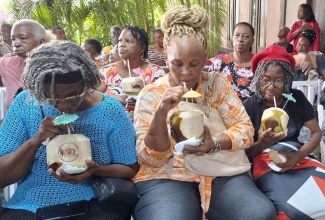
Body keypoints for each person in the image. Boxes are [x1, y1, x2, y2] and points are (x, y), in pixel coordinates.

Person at [132, 5, 277, 220]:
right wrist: (162, 113)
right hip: (168, 175)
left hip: (219, 170)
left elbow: (245, 129)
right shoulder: (151, 94)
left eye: (195, 64)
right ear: (164, 55)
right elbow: (150, 158)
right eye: (177, 64)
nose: (186, 73)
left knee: (259, 214)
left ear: (205, 56)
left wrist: (215, 143)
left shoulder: (216, 84)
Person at [0, 40, 138, 220]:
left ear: (86, 83)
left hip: (95, 200)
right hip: (31, 205)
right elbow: (3, 177)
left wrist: (96, 170)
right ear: (39, 89)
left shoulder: (110, 110)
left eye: (74, 96)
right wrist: (36, 140)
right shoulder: (25, 104)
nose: (64, 105)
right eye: (52, 99)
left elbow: (130, 168)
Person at [244, 45, 325, 220]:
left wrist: (299, 156)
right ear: (258, 79)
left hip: (300, 157)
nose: (271, 87)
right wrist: (261, 144)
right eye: (265, 80)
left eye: (279, 81)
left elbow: (316, 133)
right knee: (290, 210)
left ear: (287, 80)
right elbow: (243, 152)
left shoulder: (296, 99)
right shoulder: (250, 106)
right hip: (265, 162)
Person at [99, 25, 165, 118]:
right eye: (120, 40)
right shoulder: (106, 71)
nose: (121, 45)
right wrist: (113, 99)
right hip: (110, 127)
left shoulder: (156, 72)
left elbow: (162, 104)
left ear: (142, 48)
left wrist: (141, 103)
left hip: (145, 126)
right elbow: (93, 98)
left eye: (128, 41)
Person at [0, 19, 54, 110]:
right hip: (15, 122)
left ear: (41, 42)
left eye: (23, 38)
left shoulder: (55, 67)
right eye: (13, 39)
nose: (16, 44)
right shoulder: (9, 63)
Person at [209, 22, 255, 101]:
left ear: (252, 41)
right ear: (232, 38)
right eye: (237, 35)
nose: (240, 39)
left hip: (253, 111)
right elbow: (208, 88)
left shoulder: (259, 63)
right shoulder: (220, 63)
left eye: (246, 37)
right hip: (224, 110)